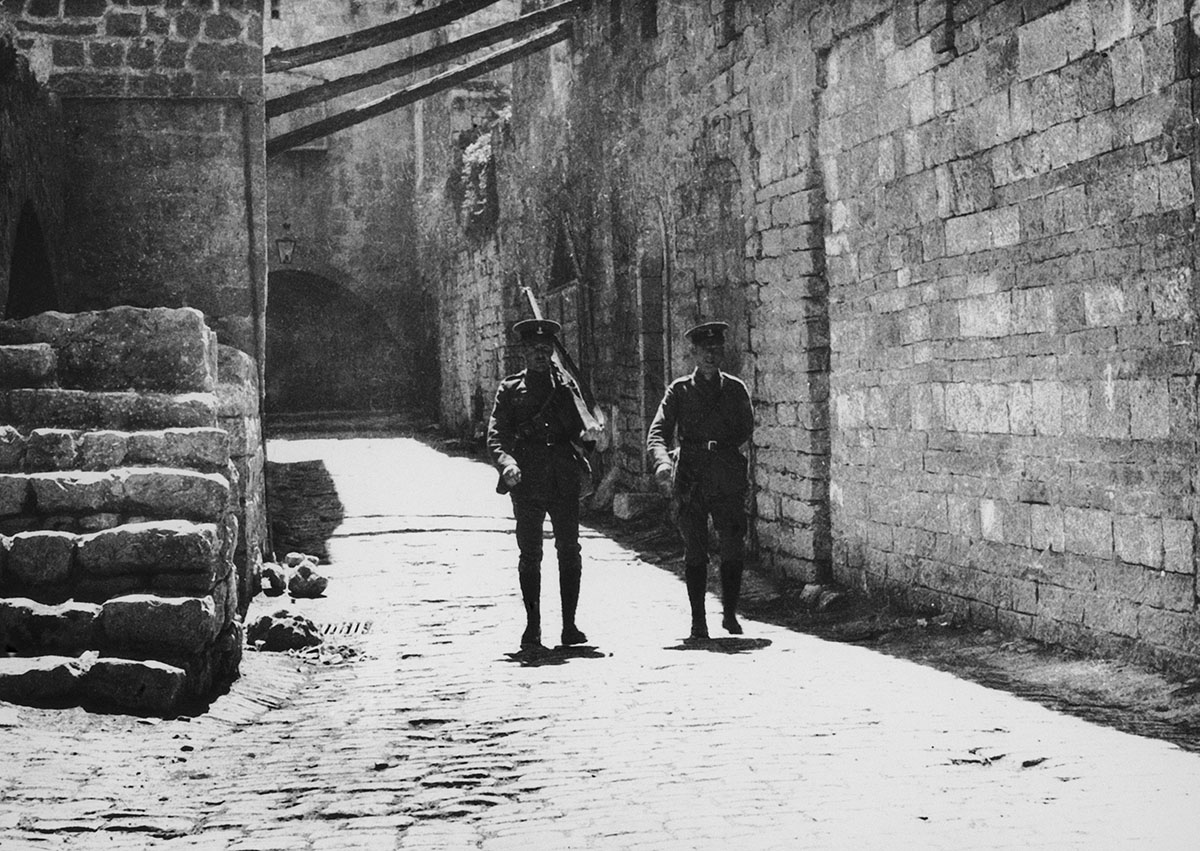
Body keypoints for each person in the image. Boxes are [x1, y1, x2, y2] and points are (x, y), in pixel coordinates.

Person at [487, 318, 593, 650]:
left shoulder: (566, 387)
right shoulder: (510, 389)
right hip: (527, 480)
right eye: (534, 349)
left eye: (546, 349)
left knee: (570, 551)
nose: (540, 355)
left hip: (563, 478)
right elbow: (496, 436)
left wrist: (590, 435)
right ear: (524, 352)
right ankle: (532, 627)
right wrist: (507, 464)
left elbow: (582, 429)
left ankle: (569, 626)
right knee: (530, 555)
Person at [646, 320, 754, 640]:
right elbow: (658, 432)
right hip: (691, 477)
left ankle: (730, 613)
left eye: (716, 349)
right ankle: (698, 621)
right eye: (705, 350)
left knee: (732, 545)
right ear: (693, 353)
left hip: (726, 475)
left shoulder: (734, 389)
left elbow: (745, 427)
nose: (711, 355)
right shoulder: (679, 391)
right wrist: (663, 462)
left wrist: (719, 446)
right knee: (695, 549)